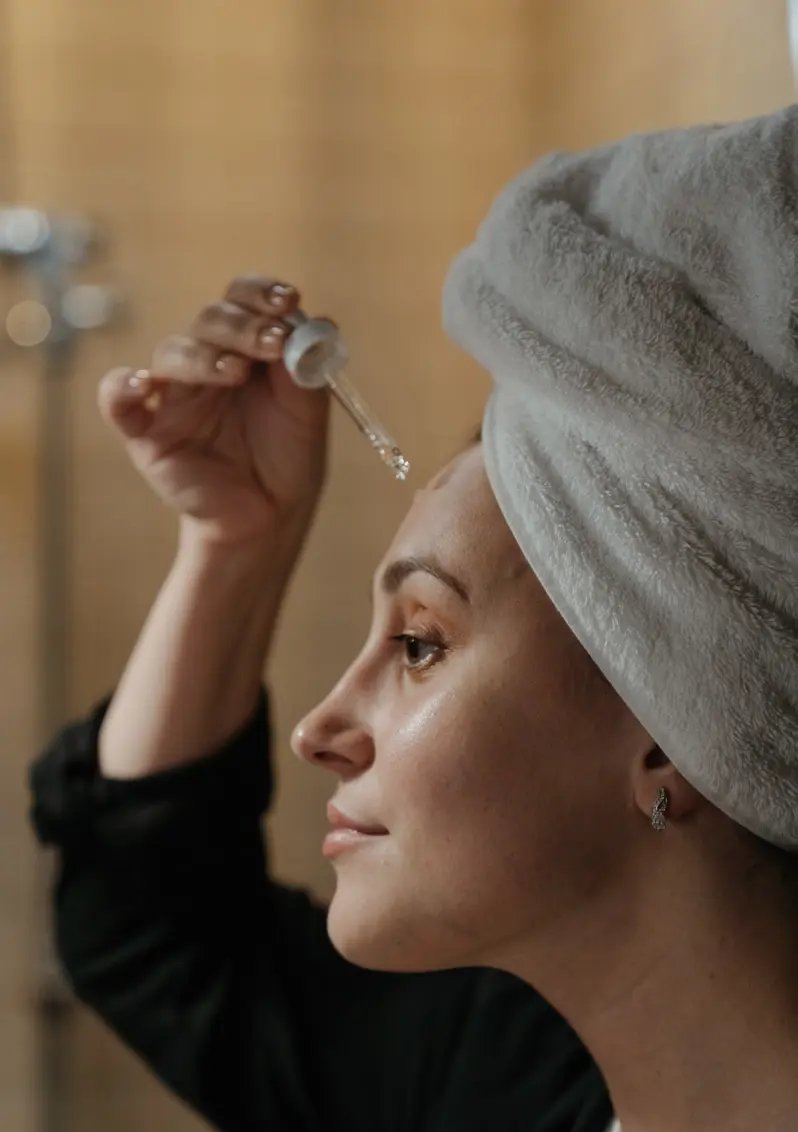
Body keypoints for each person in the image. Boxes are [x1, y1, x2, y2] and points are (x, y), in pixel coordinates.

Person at [30, 103, 798, 1132]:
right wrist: (233, 544)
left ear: (671, 729)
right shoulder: (498, 1077)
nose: (318, 730)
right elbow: (155, 934)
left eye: (419, 643)